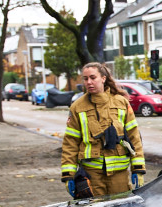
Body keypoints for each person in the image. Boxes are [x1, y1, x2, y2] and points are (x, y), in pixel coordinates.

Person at [61, 62, 146, 198]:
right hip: (92, 175)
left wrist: (138, 168)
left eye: (93, 77)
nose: (89, 82)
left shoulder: (121, 102)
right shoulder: (77, 107)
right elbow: (70, 143)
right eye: (85, 78)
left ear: (103, 78)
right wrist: (68, 175)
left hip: (119, 175)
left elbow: (134, 137)